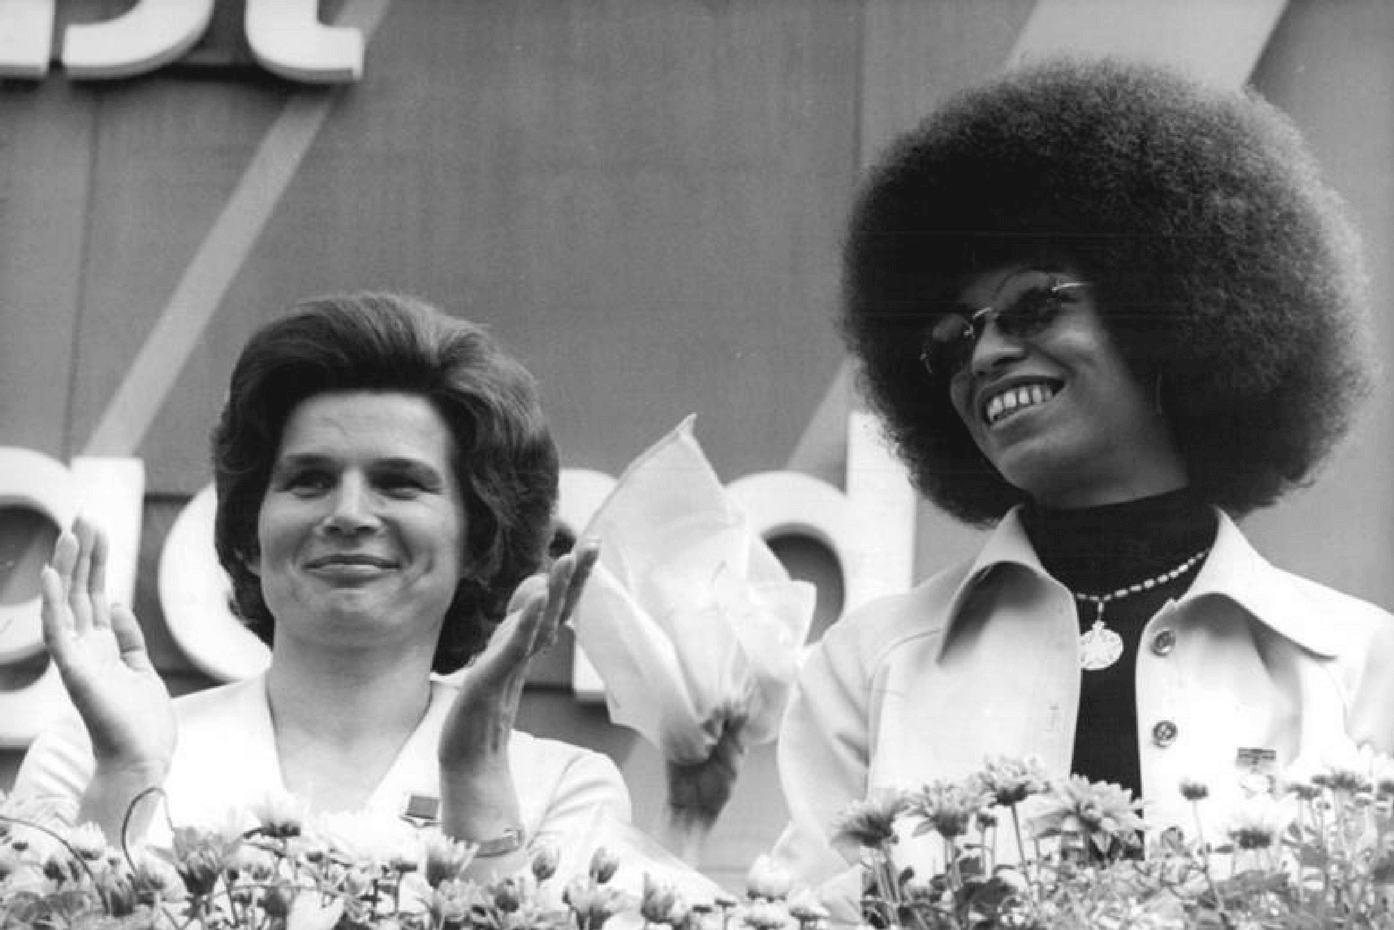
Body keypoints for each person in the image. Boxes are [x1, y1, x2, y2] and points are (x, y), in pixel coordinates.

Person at [772, 57, 1394, 897]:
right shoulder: (866, 668)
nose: (986, 354)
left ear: (1172, 301)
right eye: (953, 340)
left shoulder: (1364, 669)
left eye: (1035, 306)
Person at [15, 292, 632, 882]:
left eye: (400, 483)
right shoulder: (89, 757)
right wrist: (128, 779)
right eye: (309, 480)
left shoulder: (561, 788)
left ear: (478, 542)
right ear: (252, 538)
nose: (349, 514)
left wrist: (476, 780)